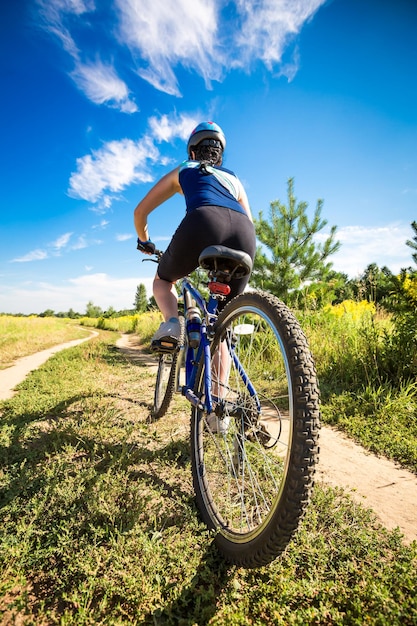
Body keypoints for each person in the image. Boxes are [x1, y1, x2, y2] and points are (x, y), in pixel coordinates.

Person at [134, 121, 256, 352]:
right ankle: (219, 387)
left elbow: (140, 212)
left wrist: (144, 241)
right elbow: (249, 220)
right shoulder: (234, 179)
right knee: (221, 324)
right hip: (245, 234)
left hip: (204, 221)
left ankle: (172, 325)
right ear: (219, 156)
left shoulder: (185, 168)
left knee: (163, 281)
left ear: (192, 151)